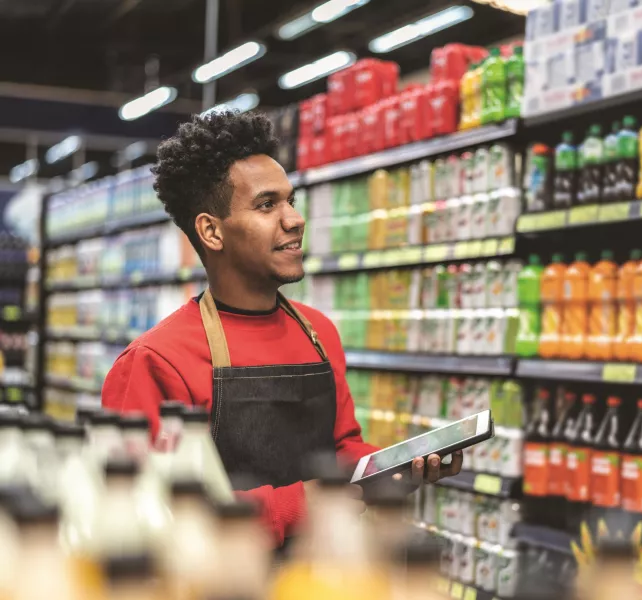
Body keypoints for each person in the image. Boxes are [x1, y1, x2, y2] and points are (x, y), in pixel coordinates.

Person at [101, 111, 462, 546]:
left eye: (291, 200)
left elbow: (342, 448)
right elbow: (145, 515)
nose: (294, 219)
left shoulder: (318, 332)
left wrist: (393, 467)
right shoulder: (156, 360)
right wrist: (298, 505)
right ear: (211, 232)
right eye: (267, 205)